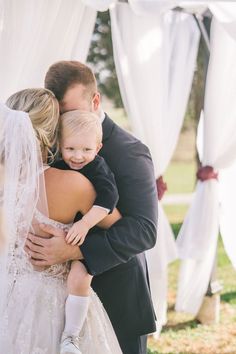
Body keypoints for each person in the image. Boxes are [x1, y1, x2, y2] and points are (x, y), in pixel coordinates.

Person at [26, 60, 158, 354]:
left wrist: (75, 249)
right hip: (54, 302)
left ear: (94, 100)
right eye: (57, 113)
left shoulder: (130, 152)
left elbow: (143, 231)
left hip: (117, 297)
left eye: (70, 111)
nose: (63, 121)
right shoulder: (53, 142)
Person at [0, 88, 122, 354]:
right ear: (54, 135)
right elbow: (117, 225)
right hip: (54, 306)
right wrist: (77, 246)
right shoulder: (74, 184)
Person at [53, 109, 120, 352]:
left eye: (86, 150)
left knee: (79, 277)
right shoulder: (56, 162)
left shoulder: (98, 167)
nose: (78, 156)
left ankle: (71, 337)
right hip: (66, 227)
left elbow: (109, 198)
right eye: (70, 149)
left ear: (98, 148)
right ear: (60, 144)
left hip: (90, 229)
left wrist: (85, 224)